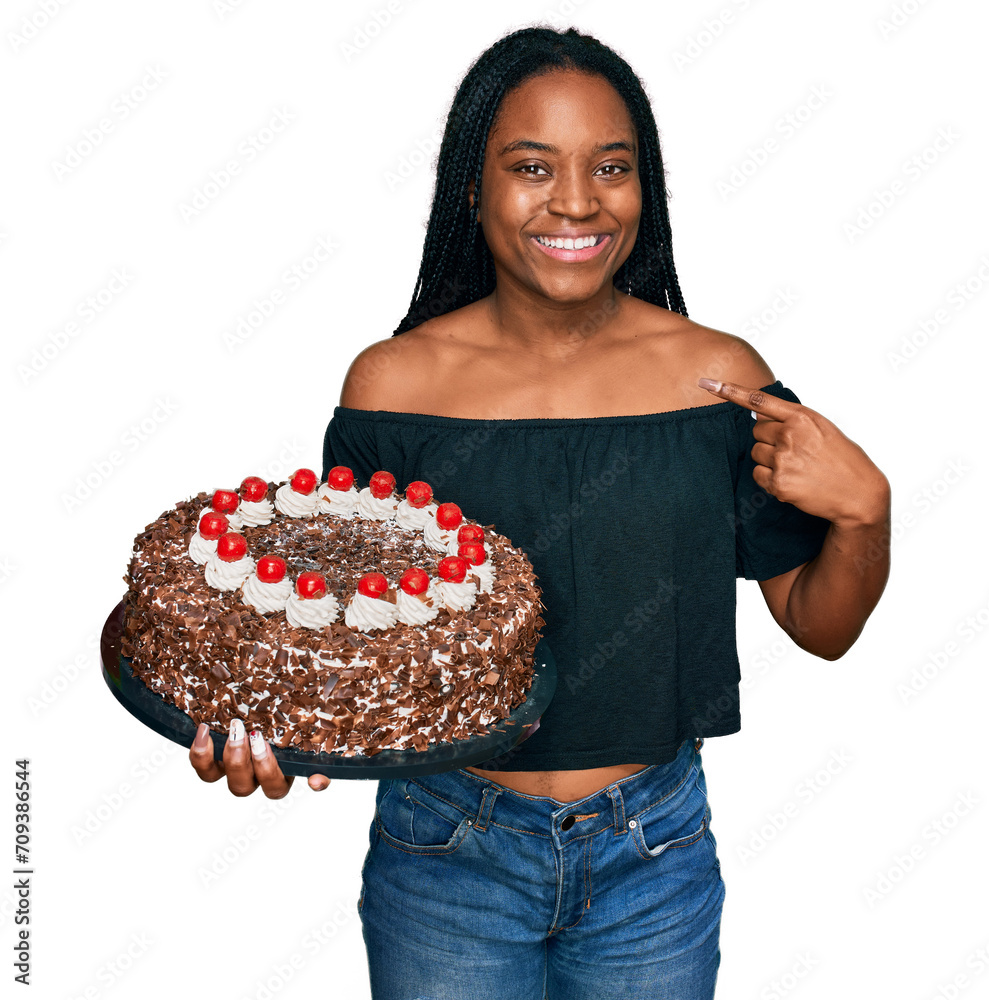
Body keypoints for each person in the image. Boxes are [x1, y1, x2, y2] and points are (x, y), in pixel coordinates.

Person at [190, 25, 890, 999]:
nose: (574, 199)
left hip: (653, 855)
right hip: (445, 851)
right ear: (470, 188)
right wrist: (274, 730)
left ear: (645, 189)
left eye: (610, 166)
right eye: (531, 166)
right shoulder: (392, 386)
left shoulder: (719, 381)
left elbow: (820, 626)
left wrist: (866, 512)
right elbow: (348, 643)